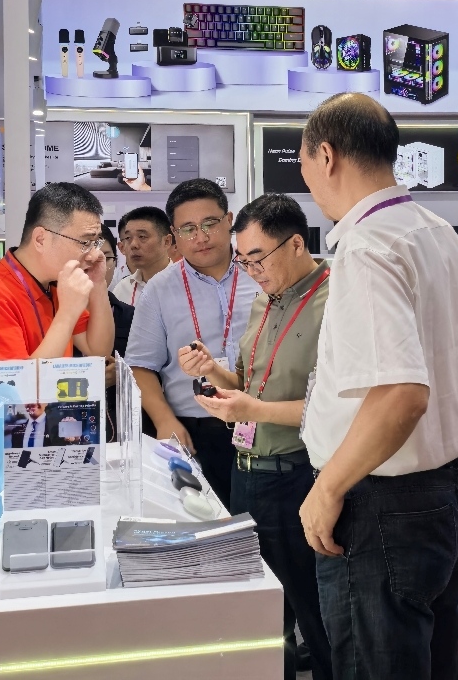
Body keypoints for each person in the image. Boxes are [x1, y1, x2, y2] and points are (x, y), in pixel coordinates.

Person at [297, 93, 458, 679]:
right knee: (434, 659)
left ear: (326, 155)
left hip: (381, 504)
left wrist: (327, 489)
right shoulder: (432, 229)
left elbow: (401, 396)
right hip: (448, 491)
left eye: (305, 163)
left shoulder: (368, 246)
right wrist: (435, 359)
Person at [178, 194, 332, 680]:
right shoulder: (265, 299)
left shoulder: (335, 300)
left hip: (298, 477)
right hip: (247, 473)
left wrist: (254, 410)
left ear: (296, 244)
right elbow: (247, 383)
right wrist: (213, 371)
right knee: (264, 614)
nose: (251, 271)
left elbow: (338, 409)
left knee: (315, 611)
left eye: (258, 258)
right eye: (243, 260)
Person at [125, 178, 259, 509]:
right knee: (205, 524)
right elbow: (141, 366)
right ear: (174, 234)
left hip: (263, 423)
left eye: (210, 223)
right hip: (195, 432)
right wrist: (164, 420)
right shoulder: (159, 290)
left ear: (229, 221)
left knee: (264, 527)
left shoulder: (261, 274)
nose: (201, 236)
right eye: (188, 229)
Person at [0, 183, 114, 360]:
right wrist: (67, 314)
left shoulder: (57, 282)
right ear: (41, 239)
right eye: (85, 242)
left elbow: (99, 351)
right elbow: (20, 377)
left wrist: (98, 284)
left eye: (96, 242)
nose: (94, 254)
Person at [98, 224, 135, 442]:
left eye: (105, 258)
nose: (97, 266)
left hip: (121, 429)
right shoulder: (53, 314)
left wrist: (123, 374)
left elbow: (153, 371)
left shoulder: (131, 316)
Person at [112, 207, 173, 307]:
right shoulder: (122, 289)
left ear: (167, 241)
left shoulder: (186, 285)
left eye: (142, 237)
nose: (133, 245)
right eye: (128, 238)